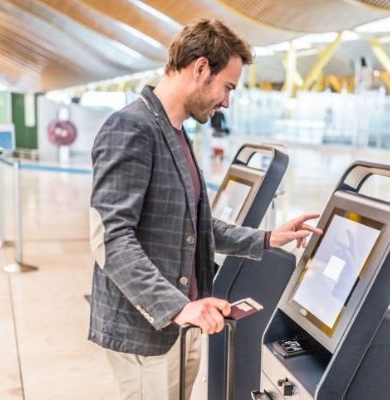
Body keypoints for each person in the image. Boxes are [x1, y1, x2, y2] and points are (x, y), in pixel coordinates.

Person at [87, 19, 322, 400]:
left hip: (179, 323)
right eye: (227, 86)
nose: (227, 101)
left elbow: (193, 226)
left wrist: (266, 238)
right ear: (200, 68)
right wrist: (178, 308)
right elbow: (111, 240)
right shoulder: (131, 128)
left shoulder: (173, 131)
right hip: (146, 330)